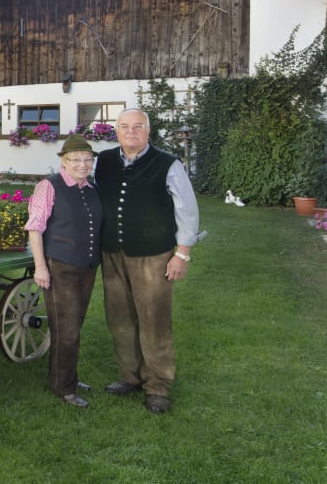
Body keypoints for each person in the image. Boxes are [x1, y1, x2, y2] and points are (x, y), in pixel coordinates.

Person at [95, 108, 200, 414]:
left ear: (148, 132)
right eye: (125, 126)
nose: (131, 131)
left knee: (154, 321)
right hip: (113, 253)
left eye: (137, 126)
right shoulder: (102, 161)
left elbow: (187, 212)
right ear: (116, 132)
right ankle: (129, 376)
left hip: (153, 254)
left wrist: (181, 254)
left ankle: (158, 385)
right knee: (120, 319)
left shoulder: (168, 164)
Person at [27, 134, 103, 408]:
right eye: (75, 159)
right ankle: (64, 387)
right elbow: (35, 227)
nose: (82, 164)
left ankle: (65, 375)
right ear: (63, 160)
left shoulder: (90, 188)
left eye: (87, 159)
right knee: (67, 330)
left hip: (87, 266)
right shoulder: (49, 186)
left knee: (73, 327)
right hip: (60, 267)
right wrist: (40, 267)